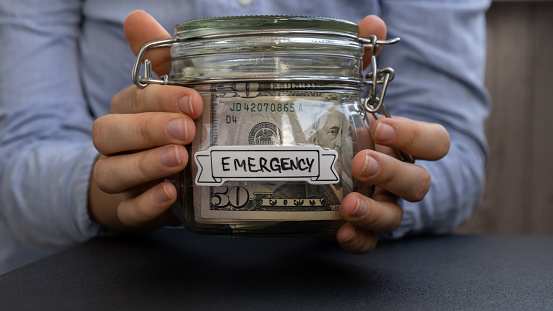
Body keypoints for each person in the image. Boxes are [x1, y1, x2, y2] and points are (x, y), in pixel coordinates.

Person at [0, 0, 490, 274]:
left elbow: (458, 152)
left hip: (347, 279)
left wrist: (389, 167)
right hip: (109, 277)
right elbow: (21, 156)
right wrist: (118, 186)